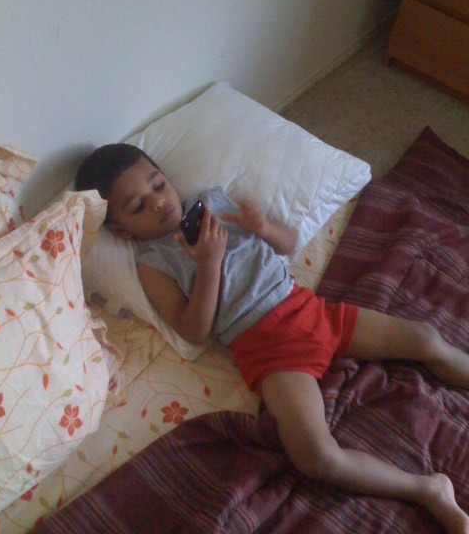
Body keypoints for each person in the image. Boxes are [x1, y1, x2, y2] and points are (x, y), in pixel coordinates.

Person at [76, 143, 469, 534]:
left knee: (425, 339)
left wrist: (263, 228)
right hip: (272, 353)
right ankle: (427, 489)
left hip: (313, 312)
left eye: (158, 185)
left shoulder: (213, 203)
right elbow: (193, 330)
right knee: (317, 457)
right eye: (138, 206)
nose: (159, 202)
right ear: (120, 230)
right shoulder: (153, 264)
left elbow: (287, 244)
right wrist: (209, 265)